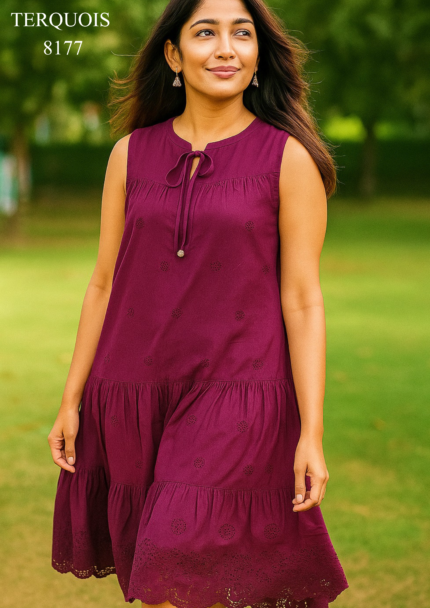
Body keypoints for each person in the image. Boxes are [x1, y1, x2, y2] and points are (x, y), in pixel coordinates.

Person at [48, 0, 350, 607]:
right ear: (173, 53)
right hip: (133, 390)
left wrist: (311, 431)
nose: (225, 48)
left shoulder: (289, 159)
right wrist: (71, 399)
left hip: (238, 394)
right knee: (166, 587)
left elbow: (303, 299)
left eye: (242, 34)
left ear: (258, 56)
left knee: (175, 563)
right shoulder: (128, 155)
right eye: (205, 32)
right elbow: (104, 282)